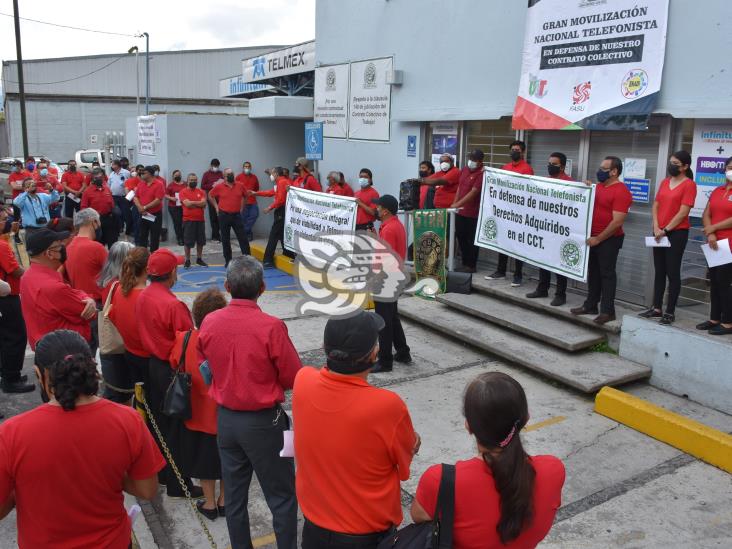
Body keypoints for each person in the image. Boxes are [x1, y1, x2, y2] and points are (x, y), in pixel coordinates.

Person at [0, 329, 165, 549]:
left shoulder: (12, 432)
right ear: (89, 368)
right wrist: (110, 474)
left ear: (40, 375)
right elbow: (147, 490)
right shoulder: (128, 420)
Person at [197, 256, 301, 549]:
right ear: (263, 288)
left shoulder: (210, 321)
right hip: (264, 422)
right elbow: (293, 375)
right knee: (281, 496)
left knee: (234, 495)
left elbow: (203, 364)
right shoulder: (271, 326)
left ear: (228, 286)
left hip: (227, 420)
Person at [293, 311, 420, 549]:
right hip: (365, 537)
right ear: (374, 353)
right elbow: (403, 466)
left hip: (314, 532)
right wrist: (415, 441)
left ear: (323, 347)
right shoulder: (386, 405)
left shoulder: (303, 380)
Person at [411, 372, 565, 549]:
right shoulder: (553, 470)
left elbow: (419, 517)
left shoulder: (441, 481)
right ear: (526, 419)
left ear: (468, 426)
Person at [136, 248, 199, 498]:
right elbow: (188, 343)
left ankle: (163, 473)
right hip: (171, 371)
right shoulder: (173, 305)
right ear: (171, 272)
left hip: (152, 366)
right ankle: (178, 483)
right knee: (177, 430)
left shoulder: (144, 296)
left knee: (159, 426)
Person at [170, 288, 227, 520]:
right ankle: (225, 500)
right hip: (223, 414)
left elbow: (175, 362)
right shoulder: (227, 341)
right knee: (227, 460)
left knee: (204, 462)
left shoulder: (184, 339)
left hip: (197, 413)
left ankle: (210, 503)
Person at [637, 151, 697, 325]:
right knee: (659, 270)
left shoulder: (689, 185)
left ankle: (670, 311)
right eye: (671, 162)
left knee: (672, 271)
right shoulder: (665, 182)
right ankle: (656, 308)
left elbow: (683, 212)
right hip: (658, 232)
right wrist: (656, 226)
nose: (671, 165)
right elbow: (656, 205)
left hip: (676, 233)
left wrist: (666, 229)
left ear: (685, 166)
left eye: (676, 163)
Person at [571, 156, 632, 325]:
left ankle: (607, 311)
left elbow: (617, 221)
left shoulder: (622, 191)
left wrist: (598, 239)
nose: (600, 171)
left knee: (607, 274)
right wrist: (584, 188)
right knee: (594, 273)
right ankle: (590, 305)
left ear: (614, 171)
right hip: (593, 238)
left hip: (609, 239)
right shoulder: (597, 187)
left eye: (604, 169)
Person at [20, 228, 96, 350]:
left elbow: (72, 293)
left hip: (47, 348)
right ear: (49, 253)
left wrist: (85, 297)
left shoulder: (27, 277)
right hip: (68, 351)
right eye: (59, 245)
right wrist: (90, 299)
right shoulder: (53, 287)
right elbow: (88, 313)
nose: (63, 247)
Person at [526, 152, 573, 306]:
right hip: (545, 227)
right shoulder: (544, 182)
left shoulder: (570, 184)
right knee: (543, 258)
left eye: (554, 164)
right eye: (549, 163)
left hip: (560, 229)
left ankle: (561, 294)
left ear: (563, 166)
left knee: (559, 262)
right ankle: (542, 288)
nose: (550, 166)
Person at [487, 141, 535, 286]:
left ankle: (518, 274)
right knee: (503, 240)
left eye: (517, 150)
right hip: (505, 211)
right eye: (512, 149)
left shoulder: (527, 169)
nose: (514, 151)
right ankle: (500, 271)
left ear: (523, 152)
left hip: (519, 213)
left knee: (517, 243)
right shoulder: (505, 167)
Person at [372, 195, 411, 373]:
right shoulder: (394, 225)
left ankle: (385, 361)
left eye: (378, 207)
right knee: (392, 318)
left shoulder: (388, 229)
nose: (376, 209)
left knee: (383, 322)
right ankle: (403, 352)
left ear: (385, 210)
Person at [109, 247, 151, 404]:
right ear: (148, 268)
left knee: (140, 396)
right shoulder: (146, 297)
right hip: (147, 357)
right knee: (152, 398)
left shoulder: (120, 290)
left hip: (130, 351)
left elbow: (113, 317)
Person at [96, 241, 135, 404]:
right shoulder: (119, 286)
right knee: (119, 394)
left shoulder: (107, 281)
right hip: (120, 347)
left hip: (110, 349)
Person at [698, 156, 732, 335]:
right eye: (728, 167)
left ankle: (728, 321)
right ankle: (714, 318)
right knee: (714, 281)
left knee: (724, 282)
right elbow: (706, 213)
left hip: (729, 244)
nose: (730, 170)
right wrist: (710, 233)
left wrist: (714, 228)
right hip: (713, 243)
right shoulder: (718, 190)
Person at [0, 207, 32, 394]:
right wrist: (31, 273)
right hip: (6, 296)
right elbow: (15, 270)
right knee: (15, 336)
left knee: (6, 337)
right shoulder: (2, 246)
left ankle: (8, 373)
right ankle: (11, 378)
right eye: (3, 219)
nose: (7, 222)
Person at [451, 149, 485, 273]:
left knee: (471, 240)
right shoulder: (465, 169)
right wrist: (454, 203)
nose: (471, 161)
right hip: (460, 211)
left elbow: (473, 192)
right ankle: (464, 263)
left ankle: (471, 265)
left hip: (473, 213)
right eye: (470, 158)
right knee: (461, 236)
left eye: (474, 159)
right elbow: (460, 187)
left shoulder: (481, 174)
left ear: (480, 161)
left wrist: (457, 204)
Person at [209, 168, 251, 266]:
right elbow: (210, 195)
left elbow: (246, 196)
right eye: (228, 174)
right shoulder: (219, 186)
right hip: (224, 215)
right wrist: (216, 207)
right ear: (224, 176)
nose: (231, 175)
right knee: (225, 239)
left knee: (243, 238)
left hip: (236, 215)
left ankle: (248, 260)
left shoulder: (240, 185)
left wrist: (242, 208)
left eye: (232, 173)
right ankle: (228, 261)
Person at [256, 167, 294, 267]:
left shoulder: (282, 183)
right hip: (283, 211)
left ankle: (268, 260)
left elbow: (281, 200)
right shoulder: (281, 182)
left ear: (276, 174)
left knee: (274, 235)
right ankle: (288, 254)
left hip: (281, 210)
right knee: (282, 234)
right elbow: (271, 193)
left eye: (272, 173)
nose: (271, 175)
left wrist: (270, 207)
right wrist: (256, 193)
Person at [80, 168, 117, 249]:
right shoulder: (87, 192)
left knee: (112, 242)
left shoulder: (107, 188)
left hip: (108, 218)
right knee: (98, 243)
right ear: (92, 179)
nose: (99, 179)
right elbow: (83, 208)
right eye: (96, 178)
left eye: (101, 177)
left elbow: (112, 203)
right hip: (95, 221)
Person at [179, 173, 209, 268]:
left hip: (200, 220)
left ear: (197, 181)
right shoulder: (182, 192)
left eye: (195, 180)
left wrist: (192, 203)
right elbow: (187, 204)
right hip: (188, 220)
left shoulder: (201, 192)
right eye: (191, 180)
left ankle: (199, 259)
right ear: (187, 181)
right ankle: (187, 260)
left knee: (201, 241)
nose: (193, 181)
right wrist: (198, 203)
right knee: (188, 242)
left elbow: (204, 204)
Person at [134, 166, 166, 251]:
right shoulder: (141, 183)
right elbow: (136, 197)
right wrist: (140, 208)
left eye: (144, 172)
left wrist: (144, 207)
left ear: (150, 174)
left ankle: (153, 256)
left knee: (154, 237)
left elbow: (158, 200)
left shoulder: (159, 184)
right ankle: (142, 256)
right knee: (142, 236)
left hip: (154, 214)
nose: (142, 174)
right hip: (143, 214)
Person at [236, 161, 260, 241]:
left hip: (252, 201)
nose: (247, 168)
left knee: (254, 215)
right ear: (243, 168)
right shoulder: (239, 177)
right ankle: (248, 234)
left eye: (248, 167)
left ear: (250, 168)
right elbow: (235, 188)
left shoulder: (254, 177)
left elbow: (257, 188)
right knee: (243, 219)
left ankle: (244, 232)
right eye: (245, 167)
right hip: (243, 202)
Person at [201, 158, 223, 241]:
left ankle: (220, 234)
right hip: (211, 199)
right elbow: (203, 186)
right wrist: (212, 185)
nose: (215, 167)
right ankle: (215, 235)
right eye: (214, 166)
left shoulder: (221, 173)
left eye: (217, 166)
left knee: (220, 218)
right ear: (211, 165)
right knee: (213, 217)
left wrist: (219, 184)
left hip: (221, 198)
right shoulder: (206, 174)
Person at [108, 159, 131, 236]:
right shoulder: (111, 174)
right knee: (117, 213)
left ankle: (128, 230)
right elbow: (109, 185)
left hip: (124, 197)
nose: (112, 166)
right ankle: (119, 228)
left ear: (117, 165)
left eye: (113, 164)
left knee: (126, 214)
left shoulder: (126, 172)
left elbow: (130, 182)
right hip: (114, 197)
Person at [165, 169, 186, 246]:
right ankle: (180, 238)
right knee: (177, 223)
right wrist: (171, 198)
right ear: (173, 176)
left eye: (179, 175)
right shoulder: (170, 185)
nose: (178, 176)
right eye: (176, 175)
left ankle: (185, 237)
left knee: (185, 222)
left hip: (184, 206)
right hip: (173, 207)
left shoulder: (185, 184)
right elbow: (166, 195)